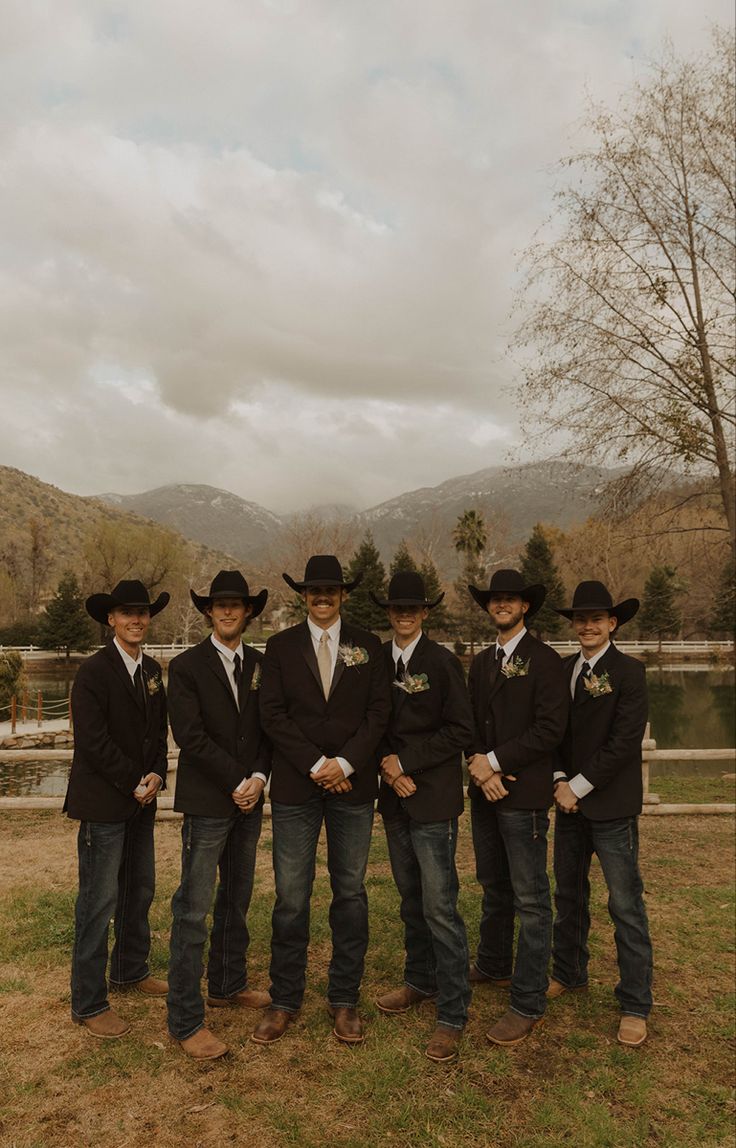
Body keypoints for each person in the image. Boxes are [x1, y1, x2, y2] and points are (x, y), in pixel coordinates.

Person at [253, 555, 391, 1046]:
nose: (323, 596)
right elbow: (273, 715)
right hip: (296, 787)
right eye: (314, 590)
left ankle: (344, 998)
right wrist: (316, 765)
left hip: (352, 788)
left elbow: (379, 714)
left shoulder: (369, 645)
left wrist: (346, 764)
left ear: (343, 595)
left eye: (331, 589)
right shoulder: (280, 646)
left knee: (350, 892)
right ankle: (284, 998)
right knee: (292, 895)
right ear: (303, 595)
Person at [166, 570, 272, 1060]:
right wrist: (236, 780)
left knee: (238, 895)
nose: (228, 611)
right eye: (219, 604)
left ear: (249, 611)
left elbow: (269, 729)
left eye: (237, 604)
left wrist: (259, 779)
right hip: (209, 802)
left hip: (250, 799)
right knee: (193, 906)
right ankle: (185, 1019)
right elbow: (191, 736)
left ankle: (227, 983)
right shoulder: (187, 667)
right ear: (208, 611)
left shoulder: (261, 664)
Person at [371, 572, 474, 1063]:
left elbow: (461, 729)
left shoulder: (442, 662)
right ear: (388, 613)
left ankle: (453, 1012)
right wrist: (390, 773)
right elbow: (370, 726)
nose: (405, 614)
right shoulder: (375, 662)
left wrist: (407, 764)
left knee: (440, 904)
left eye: (413, 607)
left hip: (432, 799)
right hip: (393, 797)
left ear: (425, 613)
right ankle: (420, 979)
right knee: (411, 898)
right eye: (397, 608)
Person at [465, 569, 568, 1046]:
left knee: (531, 897)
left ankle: (528, 1000)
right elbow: (469, 725)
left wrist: (497, 762)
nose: (502, 604)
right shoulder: (482, 661)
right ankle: (493, 963)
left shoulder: (546, 661)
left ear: (525, 606)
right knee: (493, 883)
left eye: (511, 599)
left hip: (522, 793)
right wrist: (478, 766)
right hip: (485, 792)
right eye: (495, 599)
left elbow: (549, 730)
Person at [549, 581, 653, 1047]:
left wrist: (578, 786)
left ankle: (634, 1002)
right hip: (568, 805)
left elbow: (623, 743)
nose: (587, 626)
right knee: (568, 894)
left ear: (613, 623)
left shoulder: (630, 672)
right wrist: (557, 780)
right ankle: (569, 972)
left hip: (610, 807)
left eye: (597, 618)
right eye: (580, 619)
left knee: (624, 903)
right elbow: (555, 733)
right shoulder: (563, 669)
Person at [66, 579, 170, 1038]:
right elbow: (92, 741)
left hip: (141, 802)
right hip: (104, 802)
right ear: (110, 619)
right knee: (98, 900)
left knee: (139, 888)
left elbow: (157, 733)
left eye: (143, 612)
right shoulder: (93, 671)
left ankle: (129, 969)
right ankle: (89, 1002)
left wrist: (157, 775)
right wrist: (132, 780)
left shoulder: (151, 669)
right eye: (127, 612)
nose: (136, 619)